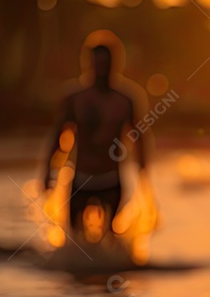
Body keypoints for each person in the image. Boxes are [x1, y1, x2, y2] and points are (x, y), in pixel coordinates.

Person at [42, 37, 147, 242]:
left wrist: (143, 170)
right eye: (96, 63)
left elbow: (139, 136)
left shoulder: (125, 99)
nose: (101, 69)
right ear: (87, 64)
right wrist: (48, 171)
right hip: (81, 178)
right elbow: (59, 137)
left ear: (115, 64)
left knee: (111, 238)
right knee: (75, 240)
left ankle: (110, 271)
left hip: (111, 179)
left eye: (105, 64)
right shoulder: (75, 98)